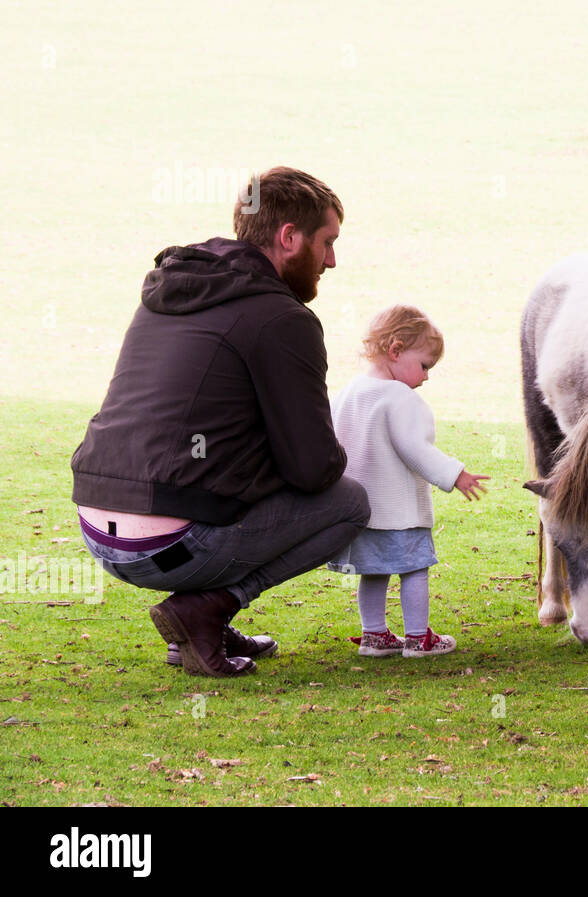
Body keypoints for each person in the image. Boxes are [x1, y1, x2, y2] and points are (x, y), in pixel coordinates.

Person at [71, 167, 370, 677]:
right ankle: (206, 608)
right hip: (165, 543)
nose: (332, 260)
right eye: (327, 242)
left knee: (220, 476)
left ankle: (193, 624)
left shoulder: (174, 290)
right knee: (348, 503)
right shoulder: (283, 319)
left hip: (96, 526)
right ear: (288, 237)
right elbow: (314, 470)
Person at [327, 305, 489, 658]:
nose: (426, 377)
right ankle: (418, 638)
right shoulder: (401, 398)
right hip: (400, 511)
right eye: (425, 365)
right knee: (414, 568)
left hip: (360, 512)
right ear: (396, 350)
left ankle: (374, 635)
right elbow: (415, 449)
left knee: (373, 572)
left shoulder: (347, 393)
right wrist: (454, 474)